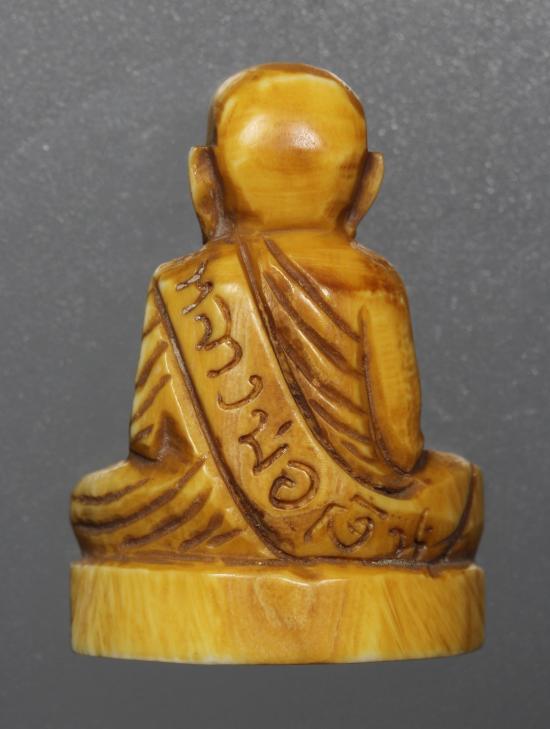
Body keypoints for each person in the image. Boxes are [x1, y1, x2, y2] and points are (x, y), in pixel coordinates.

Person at [71, 63, 482, 565]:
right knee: (457, 485)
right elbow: (399, 451)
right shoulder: (372, 283)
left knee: (96, 504)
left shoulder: (180, 284)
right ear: (369, 182)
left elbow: (154, 445)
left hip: (207, 511)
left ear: (202, 175)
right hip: (357, 523)